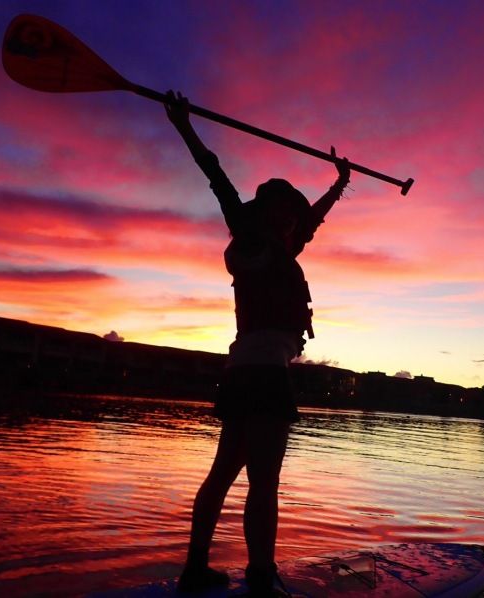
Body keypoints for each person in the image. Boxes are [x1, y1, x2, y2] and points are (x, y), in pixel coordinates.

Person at [165, 91, 350, 596]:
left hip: (245, 370)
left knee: (225, 473)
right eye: (284, 211)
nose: (293, 219)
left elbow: (314, 220)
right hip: (264, 371)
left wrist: (341, 182)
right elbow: (216, 176)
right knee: (261, 481)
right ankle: (262, 578)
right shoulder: (249, 230)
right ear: (264, 209)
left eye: (294, 213)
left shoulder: (282, 239)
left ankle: (196, 569)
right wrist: (183, 125)